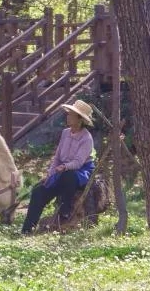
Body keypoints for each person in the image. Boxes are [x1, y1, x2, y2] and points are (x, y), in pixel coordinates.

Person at [21, 99, 95, 234]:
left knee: (69, 175)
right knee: (39, 190)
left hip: (79, 173)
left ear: (79, 119)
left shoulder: (86, 138)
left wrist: (65, 167)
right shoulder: (65, 133)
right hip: (61, 171)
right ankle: (27, 229)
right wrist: (50, 174)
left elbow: (78, 162)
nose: (67, 116)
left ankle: (65, 209)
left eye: (71, 115)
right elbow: (57, 157)